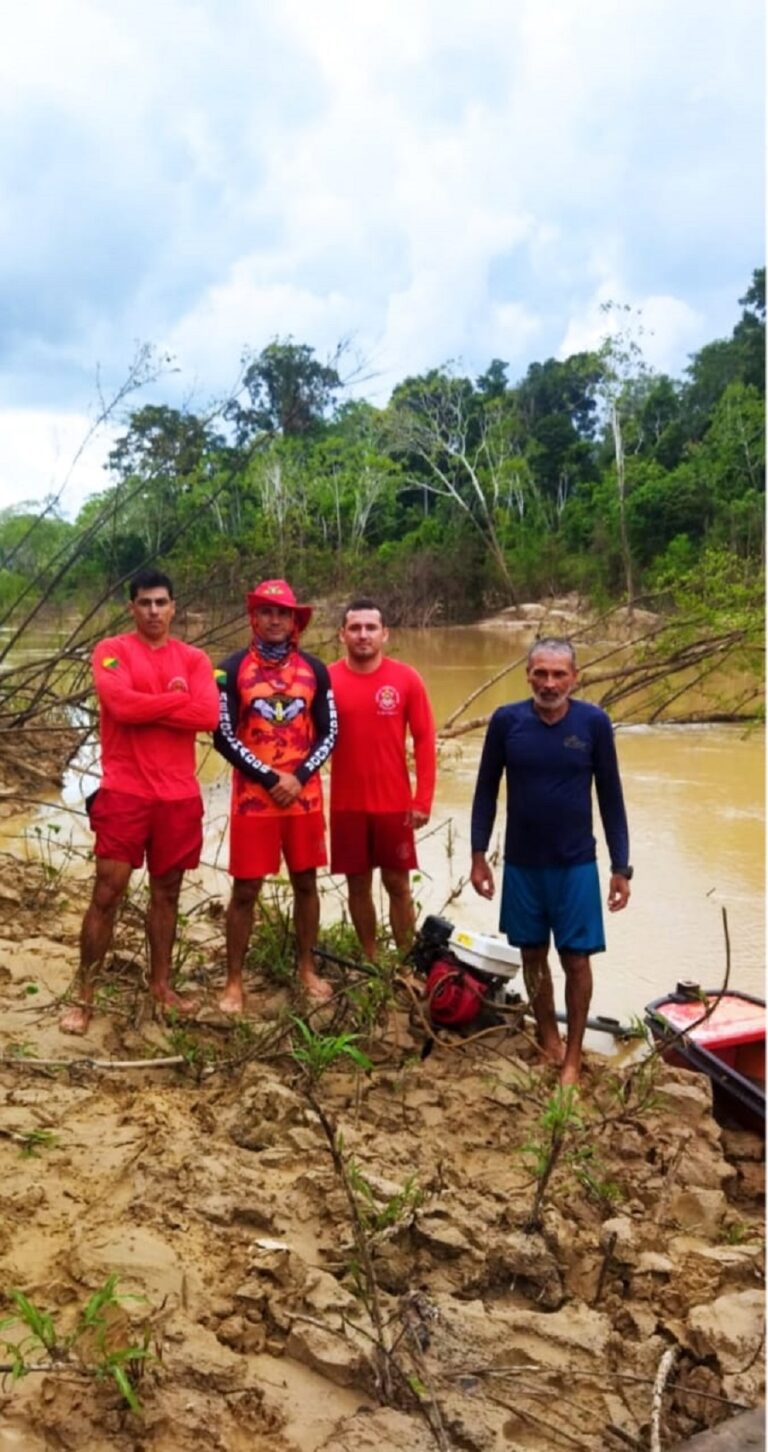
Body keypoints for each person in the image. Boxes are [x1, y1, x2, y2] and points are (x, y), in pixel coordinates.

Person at [60, 570, 221, 1035]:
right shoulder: (111, 651)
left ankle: (161, 986)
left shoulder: (193, 659)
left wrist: (150, 703)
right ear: (131, 608)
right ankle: (85, 996)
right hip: (125, 792)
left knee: (166, 895)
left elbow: (209, 715)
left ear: (174, 608)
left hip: (178, 796)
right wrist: (174, 701)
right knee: (106, 893)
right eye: (145, 603)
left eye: (161, 602)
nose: (153, 611)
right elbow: (121, 707)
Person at [470, 638, 631, 1086]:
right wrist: (478, 855)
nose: (549, 682)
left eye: (559, 674)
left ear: (574, 678)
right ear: (528, 676)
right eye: (540, 673)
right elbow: (485, 791)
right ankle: (549, 1040)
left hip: (575, 864)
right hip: (522, 864)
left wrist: (621, 867)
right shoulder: (507, 722)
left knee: (576, 961)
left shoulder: (593, 723)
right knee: (532, 955)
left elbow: (611, 797)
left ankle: (573, 1059)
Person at [213, 579, 337, 1010]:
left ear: (294, 620)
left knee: (306, 882)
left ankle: (306, 967)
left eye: (283, 613)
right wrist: (269, 778)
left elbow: (330, 732)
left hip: (304, 797)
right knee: (245, 890)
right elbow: (222, 736)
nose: (274, 620)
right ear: (253, 617)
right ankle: (233, 981)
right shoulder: (229, 670)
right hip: (254, 800)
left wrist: (298, 776)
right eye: (266, 611)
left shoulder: (316, 670)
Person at [328, 597, 436, 960]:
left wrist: (423, 799)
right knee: (357, 886)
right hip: (346, 805)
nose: (363, 635)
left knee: (398, 885)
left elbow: (424, 739)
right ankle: (372, 959)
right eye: (355, 628)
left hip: (393, 804)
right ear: (342, 634)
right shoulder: (326, 680)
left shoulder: (406, 679)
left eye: (371, 628)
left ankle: (406, 962)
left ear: (385, 634)